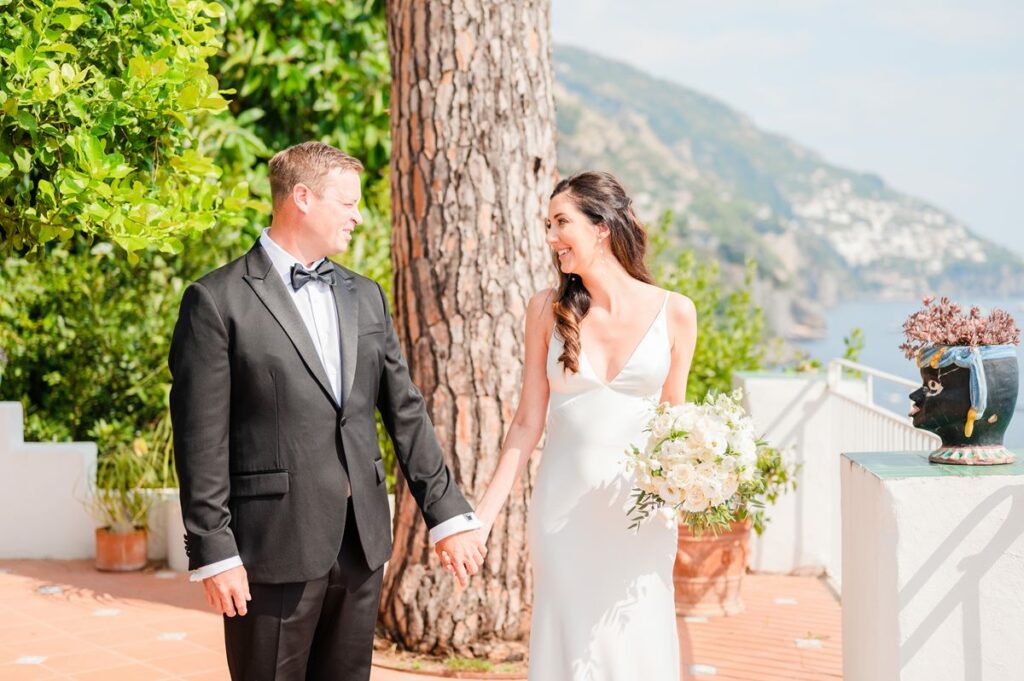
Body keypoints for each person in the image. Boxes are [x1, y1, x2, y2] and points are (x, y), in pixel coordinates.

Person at [169, 141, 486, 681]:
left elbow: (404, 411)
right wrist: (214, 553)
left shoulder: (365, 297)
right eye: (347, 203)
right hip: (270, 546)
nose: (358, 217)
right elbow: (200, 440)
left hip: (360, 546)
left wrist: (447, 515)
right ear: (302, 198)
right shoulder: (216, 300)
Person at [469, 171, 698, 679]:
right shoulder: (545, 312)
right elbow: (528, 421)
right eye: (548, 225)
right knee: (570, 646)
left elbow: (674, 423)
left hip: (642, 515)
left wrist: (703, 476)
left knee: (639, 638)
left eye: (560, 223)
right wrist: (482, 516)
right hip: (565, 514)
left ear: (601, 227)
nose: (551, 239)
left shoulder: (676, 312)